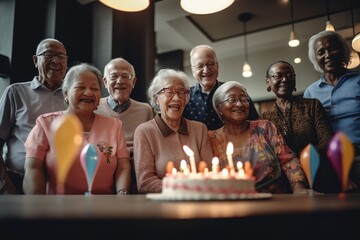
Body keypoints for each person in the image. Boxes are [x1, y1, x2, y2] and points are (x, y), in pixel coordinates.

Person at [23, 63, 131, 194]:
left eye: (95, 89)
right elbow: (33, 168)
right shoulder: (46, 123)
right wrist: (37, 205)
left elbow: (123, 167)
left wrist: (122, 193)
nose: (88, 92)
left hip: (103, 206)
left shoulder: (114, 125)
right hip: (58, 207)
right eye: (80, 87)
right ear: (66, 93)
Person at [208, 81, 312, 194]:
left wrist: (298, 188)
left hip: (274, 199)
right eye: (232, 100)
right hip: (232, 203)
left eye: (244, 99)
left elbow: (288, 161)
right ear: (219, 108)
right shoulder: (210, 138)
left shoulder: (265, 127)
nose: (239, 104)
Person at [0, 38, 68, 194]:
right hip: (17, 180)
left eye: (61, 56)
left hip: (63, 185)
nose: (56, 60)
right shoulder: (16, 92)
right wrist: (5, 184)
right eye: (49, 54)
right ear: (36, 60)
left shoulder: (72, 96)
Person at [262, 60, 340, 193]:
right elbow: (268, 153)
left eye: (289, 75)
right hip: (287, 182)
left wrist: (296, 158)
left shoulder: (312, 106)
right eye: (278, 76)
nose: (285, 79)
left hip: (319, 173)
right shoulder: (265, 117)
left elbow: (327, 142)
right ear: (268, 82)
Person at [133, 68, 213, 194]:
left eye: (181, 92)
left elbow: (209, 172)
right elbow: (145, 182)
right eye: (169, 92)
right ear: (156, 98)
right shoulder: (145, 132)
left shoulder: (199, 129)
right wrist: (183, 189)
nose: (176, 98)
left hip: (198, 202)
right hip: (162, 207)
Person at [304, 30, 360, 191]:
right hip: (328, 160)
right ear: (316, 59)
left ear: (343, 51)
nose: (328, 55)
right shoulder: (311, 92)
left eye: (332, 49)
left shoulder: (358, 80)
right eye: (321, 52)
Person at [95, 57, 153, 193]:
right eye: (114, 76)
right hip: (103, 169)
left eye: (126, 76)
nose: (120, 81)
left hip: (135, 171)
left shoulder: (145, 110)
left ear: (133, 82)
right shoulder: (95, 107)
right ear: (105, 81)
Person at [183, 44, 259, 130]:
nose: (206, 70)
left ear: (217, 66)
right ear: (193, 71)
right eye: (200, 66)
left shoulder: (235, 91)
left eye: (211, 64)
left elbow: (254, 122)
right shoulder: (185, 96)